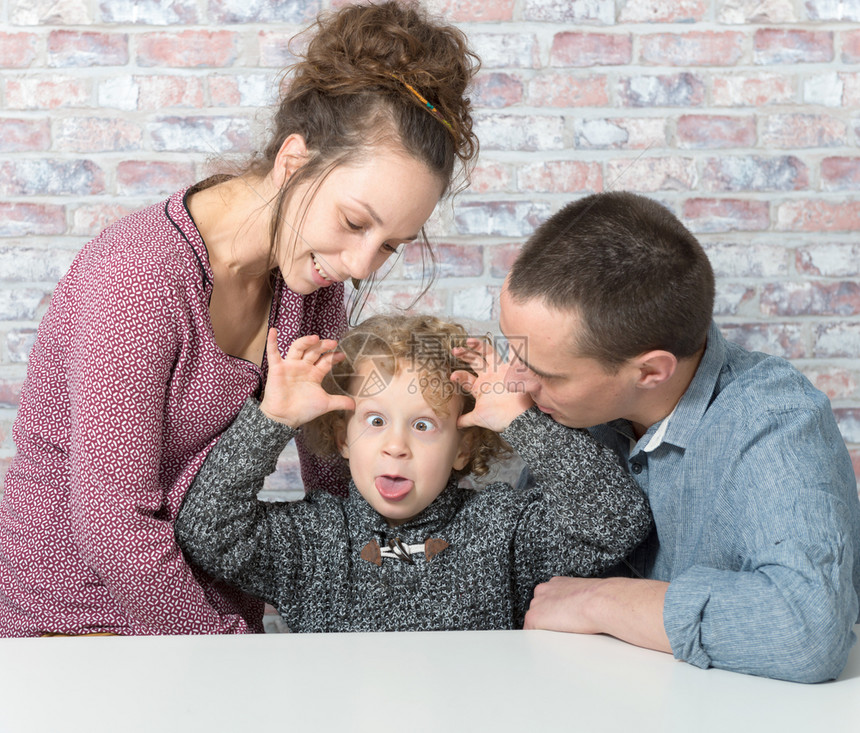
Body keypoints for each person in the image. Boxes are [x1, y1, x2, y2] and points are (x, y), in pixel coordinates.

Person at [0, 2, 480, 637]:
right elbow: (112, 522)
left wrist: (413, 562)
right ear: (292, 162)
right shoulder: (138, 278)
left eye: (391, 244)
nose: (363, 263)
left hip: (215, 608)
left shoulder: (307, 281)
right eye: (354, 222)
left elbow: (335, 461)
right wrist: (230, 651)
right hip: (82, 618)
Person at [469, 190, 860, 682]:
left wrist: (603, 600)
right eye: (515, 348)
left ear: (650, 371)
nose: (517, 381)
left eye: (548, 372)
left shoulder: (775, 421)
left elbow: (807, 629)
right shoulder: (563, 410)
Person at [173, 315, 652, 632]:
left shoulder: (502, 528)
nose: (396, 446)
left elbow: (614, 521)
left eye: (423, 425)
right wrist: (270, 421)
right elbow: (207, 531)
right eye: (375, 421)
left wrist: (519, 421)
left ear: (462, 448)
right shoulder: (309, 539)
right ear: (343, 438)